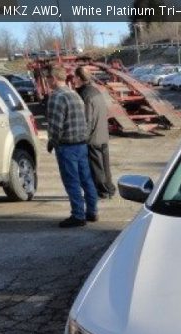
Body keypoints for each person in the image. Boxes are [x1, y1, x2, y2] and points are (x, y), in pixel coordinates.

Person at [46, 65, 98, 228]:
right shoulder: (74, 94)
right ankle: (92, 211)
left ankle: (77, 215)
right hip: (81, 145)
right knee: (86, 179)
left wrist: (52, 142)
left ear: (53, 79)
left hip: (67, 147)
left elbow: (55, 125)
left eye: (48, 79)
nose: (47, 82)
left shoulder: (57, 97)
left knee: (72, 181)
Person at [74, 66, 116, 199]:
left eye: (75, 77)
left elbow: (87, 120)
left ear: (79, 78)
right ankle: (109, 189)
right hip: (102, 134)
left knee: (97, 168)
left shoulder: (85, 94)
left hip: (93, 138)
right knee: (105, 167)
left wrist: (82, 139)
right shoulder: (95, 91)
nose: (73, 79)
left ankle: (103, 192)